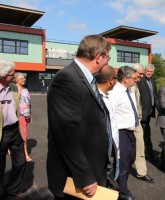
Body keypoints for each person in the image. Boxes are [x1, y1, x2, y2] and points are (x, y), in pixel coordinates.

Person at [47, 35, 113, 199]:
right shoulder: (67, 78)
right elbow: (67, 134)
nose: (108, 63)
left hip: (93, 169)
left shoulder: (86, 79)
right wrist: (85, 177)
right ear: (98, 57)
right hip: (77, 178)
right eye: (108, 58)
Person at [109, 66, 138, 200]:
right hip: (121, 132)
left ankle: (119, 182)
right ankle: (123, 193)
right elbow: (110, 114)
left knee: (131, 159)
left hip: (131, 131)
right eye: (134, 78)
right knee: (123, 163)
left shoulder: (129, 90)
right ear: (126, 78)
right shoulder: (114, 92)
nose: (136, 80)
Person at [0, 59, 26, 200]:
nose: (14, 76)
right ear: (2, 76)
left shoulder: (14, 88)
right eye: (11, 74)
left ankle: (12, 190)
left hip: (15, 131)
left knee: (20, 161)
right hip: (1, 133)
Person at [95, 65, 119, 186]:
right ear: (111, 80)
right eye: (116, 78)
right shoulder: (94, 98)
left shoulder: (107, 96)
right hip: (100, 154)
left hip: (110, 149)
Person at [131, 63, 154, 183]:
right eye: (139, 74)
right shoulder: (124, 86)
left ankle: (141, 172)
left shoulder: (136, 84)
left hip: (136, 121)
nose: (141, 76)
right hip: (123, 123)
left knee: (140, 145)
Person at [137, 64, 158, 162]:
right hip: (142, 112)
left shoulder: (153, 81)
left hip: (150, 112)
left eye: (151, 71)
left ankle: (146, 153)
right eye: (147, 71)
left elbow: (155, 96)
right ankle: (149, 154)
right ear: (145, 71)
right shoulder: (140, 81)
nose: (149, 72)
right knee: (145, 134)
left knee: (145, 133)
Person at [14, 72, 33, 162]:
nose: (24, 79)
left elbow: (29, 103)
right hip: (18, 115)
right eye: (21, 78)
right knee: (24, 135)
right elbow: (13, 102)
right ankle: (25, 153)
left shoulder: (25, 89)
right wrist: (18, 94)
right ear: (16, 80)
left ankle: (10, 149)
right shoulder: (13, 89)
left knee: (21, 134)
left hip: (26, 115)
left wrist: (30, 114)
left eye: (24, 78)